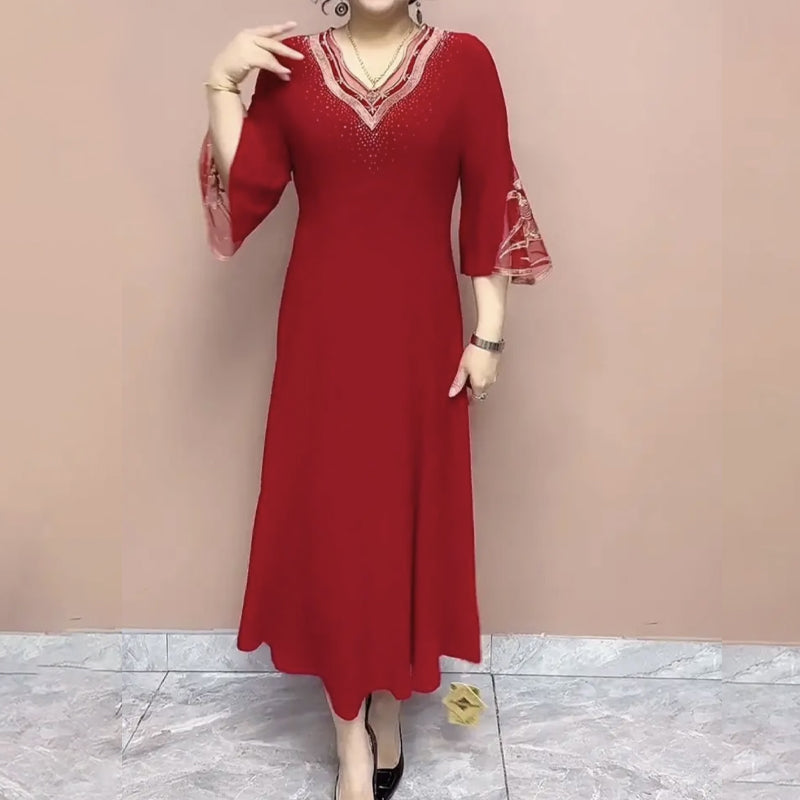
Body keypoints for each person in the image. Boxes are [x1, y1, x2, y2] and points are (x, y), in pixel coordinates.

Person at [200, 1, 552, 798]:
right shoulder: (294, 69)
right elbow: (250, 187)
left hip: (420, 334)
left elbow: (490, 193)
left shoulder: (465, 63)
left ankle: (388, 698)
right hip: (322, 335)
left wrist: (489, 334)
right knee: (336, 524)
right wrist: (221, 83)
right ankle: (348, 736)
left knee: (399, 519)